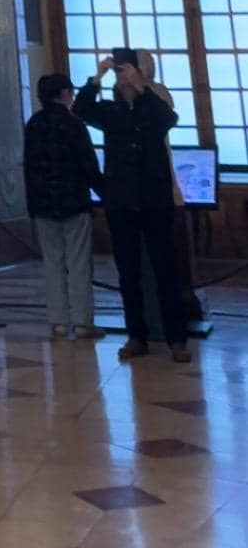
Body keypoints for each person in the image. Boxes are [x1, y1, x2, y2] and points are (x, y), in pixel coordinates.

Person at [75, 50, 191, 362]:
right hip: (122, 202)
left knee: (166, 270)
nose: (123, 79)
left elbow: (169, 119)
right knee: (128, 273)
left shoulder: (153, 107)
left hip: (155, 201)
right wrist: (97, 77)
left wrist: (141, 88)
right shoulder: (111, 112)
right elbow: (80, 109)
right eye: (120, 74)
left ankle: (176, 339)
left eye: (127, 72)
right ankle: (136, 336)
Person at [24, 71, 104, 340]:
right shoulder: (74, 124)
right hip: (74, 201)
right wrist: (105, 193)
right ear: (64, 94)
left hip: (43, 203)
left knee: (52, 263)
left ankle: (58, 322)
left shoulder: (33, 124)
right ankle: (82, 322)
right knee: (79, 263)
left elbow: (29, 168)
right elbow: (88, 164)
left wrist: (32, 204)